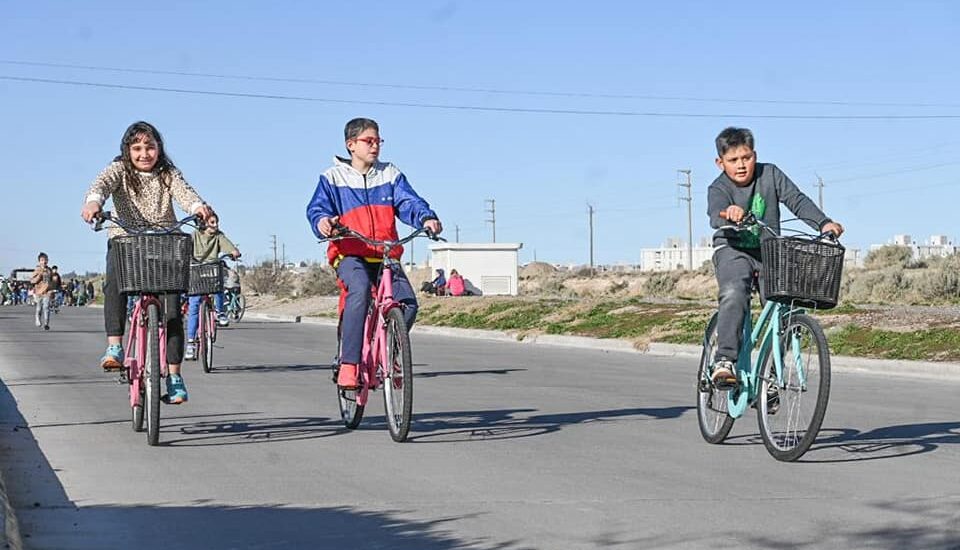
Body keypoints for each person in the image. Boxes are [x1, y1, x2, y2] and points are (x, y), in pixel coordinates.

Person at [81, 121, 215, 405]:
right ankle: (115, 347)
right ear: (127, 150)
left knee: (172, 309)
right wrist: (94, 203)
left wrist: (198, 208)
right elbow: (100, 185)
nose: (144, 154)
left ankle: (175, 377)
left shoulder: (167, 173)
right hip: (127, 241)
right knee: (114, 283)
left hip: (164, 242)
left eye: (150, 147)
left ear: (159, 149)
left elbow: (185, 193)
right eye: (137, 148)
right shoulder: (119, 169)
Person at [307, 117, 442, 389]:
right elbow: (317, 209)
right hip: (350, 253)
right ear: (351, 145)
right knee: (358, 291)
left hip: (385, 254)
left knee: (408, 303)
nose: (375, 146)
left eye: (378, 140)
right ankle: (349, 364)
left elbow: (409, 201)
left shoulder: (389, 173)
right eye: (369, 141)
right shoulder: (332, 177)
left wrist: (426, 217)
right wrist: (323, 223)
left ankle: (390, 350)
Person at [707, 127, 844, 389]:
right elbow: (716, 212)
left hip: (771, 251)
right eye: (733, 160)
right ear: (720, 162)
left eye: (746, 158)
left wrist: (823, 223)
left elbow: (796, 200)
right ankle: (724, 360)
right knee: (735, 291)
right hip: (733, 249)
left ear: (754, 155)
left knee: (786, 307)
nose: (741, 165)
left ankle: (770, 376)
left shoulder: (770, 174)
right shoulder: (718, 187)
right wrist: (729, 212)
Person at [184, 213, 240, 360]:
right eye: (212, 222)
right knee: (194, 305)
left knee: (218, 288)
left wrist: (233, 252)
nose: (215, 225)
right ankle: (190, 343)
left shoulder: (219, 236)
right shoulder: (193, 236)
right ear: (203, 223)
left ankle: (220, 313)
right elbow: (184, 249)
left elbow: (229, 246)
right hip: (197, 271)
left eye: (217, 222)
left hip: (213, 270)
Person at [29, 252, 54, 330]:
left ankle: (46, 323)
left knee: (46, 307)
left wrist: (52, 290)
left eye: (45, 260)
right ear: (39, 261)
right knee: (39, 308)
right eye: (42, 260)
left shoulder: (49, 270)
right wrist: (38, 277)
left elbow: (52, 281)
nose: (44, 261)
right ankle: (37, 319)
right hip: (39, 292)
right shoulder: (37, 269)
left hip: (47, 292)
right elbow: (32, 281)